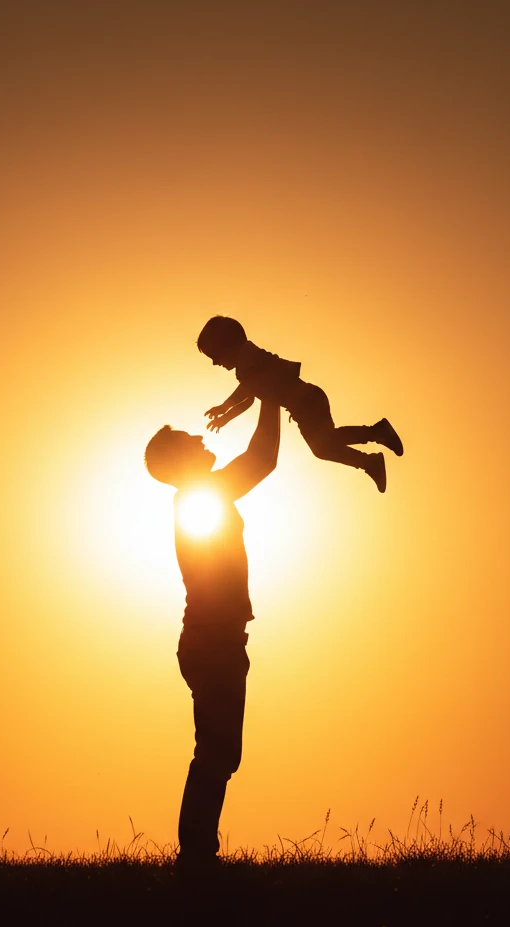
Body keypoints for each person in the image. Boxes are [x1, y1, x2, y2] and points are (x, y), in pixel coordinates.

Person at [144, 398, 280, 872]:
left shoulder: (202, 496)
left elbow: (258, 463)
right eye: (189, 440)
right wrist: (271, 396)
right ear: (179, 460)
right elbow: (261, 461)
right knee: (217, 752)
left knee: (222, 753)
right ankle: (196, 855)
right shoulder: (199, 497)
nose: (201, 439)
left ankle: (198, 853)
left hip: (215, 640)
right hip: (213, 640)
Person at [198, 315, 403, 493]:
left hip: (306, 401)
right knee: (324, 447)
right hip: (304, 404)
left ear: (227, 344)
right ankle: (370, 460)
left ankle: (376, 436)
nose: (215, 363)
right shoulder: (244, 367)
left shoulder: (248, 355)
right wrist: (225, 417)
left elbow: (248, 390)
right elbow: (250, 399)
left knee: (325, 443)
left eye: (214, 356)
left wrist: (225, 407)